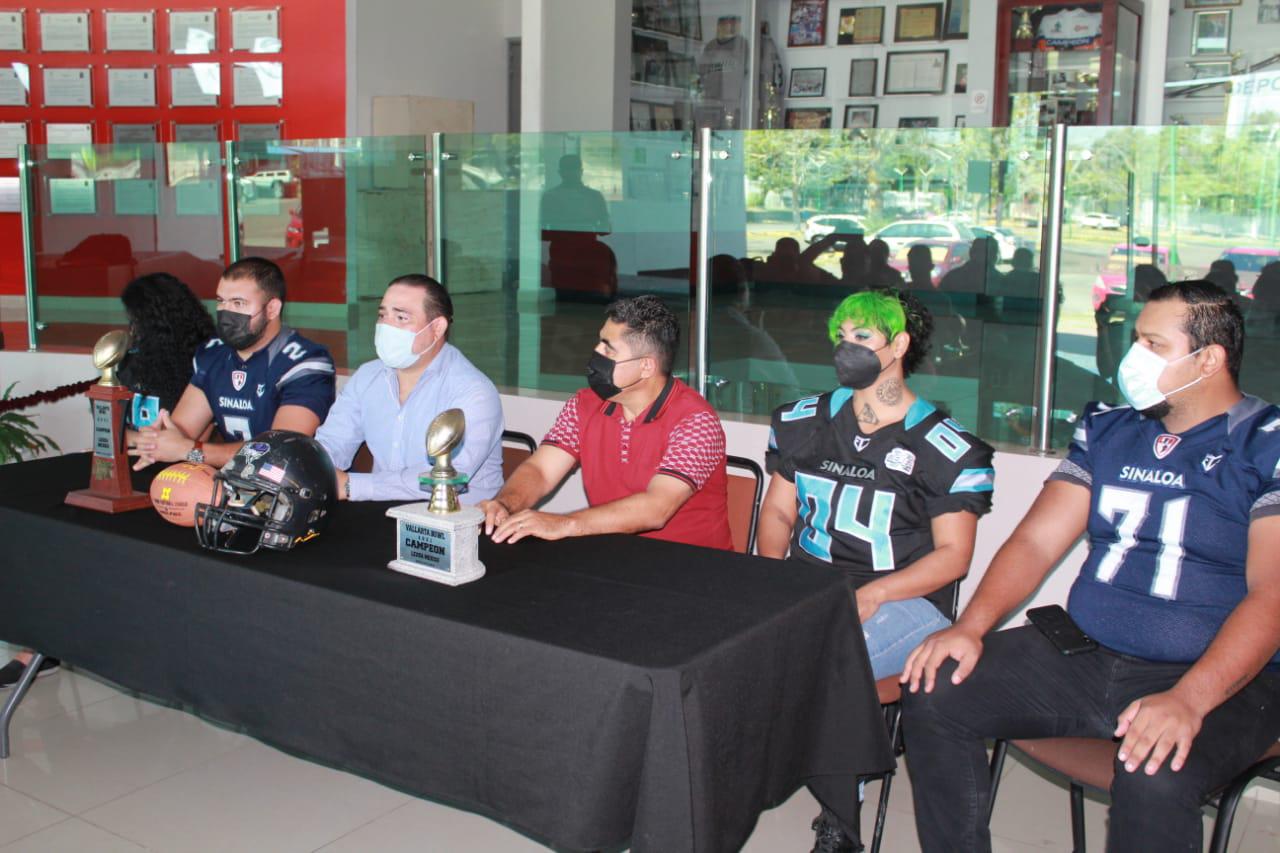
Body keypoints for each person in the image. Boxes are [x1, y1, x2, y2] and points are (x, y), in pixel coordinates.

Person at [900, 281, 1280, 853]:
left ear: (1209, 359)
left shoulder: (1265, 444)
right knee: (934, 690)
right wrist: (970, 627)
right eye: (1136, 340)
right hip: (1087, 652)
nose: (1133, 358)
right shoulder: (1110, 429)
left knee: (1155, 774)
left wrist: (1189, 699)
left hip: (1216, 676)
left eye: (1153, 344)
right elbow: (1035, 542)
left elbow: (1272, 595)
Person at [756, 289, 994, 852]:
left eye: (863, 337)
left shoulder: (948, 448)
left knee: (826, 661)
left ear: (899, 346)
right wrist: (768, 577)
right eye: (842, 336)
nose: (847, 348)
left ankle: (842, 816)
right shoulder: (805, 420)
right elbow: (778, 511)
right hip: (808, 585)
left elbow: (953, 557)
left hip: (902, 602)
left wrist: (875, 593)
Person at [2, 272, 218, 690]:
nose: (131, 327)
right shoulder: (130, 363)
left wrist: (152, 443)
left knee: (88, 537)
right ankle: (38, 645)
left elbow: (190, 441)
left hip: (174, 481)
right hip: (126, 469)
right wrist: (137, 440)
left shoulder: (203, 363)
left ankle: (67, 641)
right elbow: (117, 430)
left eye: (136, 318)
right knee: (53, 527)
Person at [480, 295, 733, 550]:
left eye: (608, 348)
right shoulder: (584, 404)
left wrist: (564, 524)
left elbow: (657, 508)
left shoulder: (696, 422)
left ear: (646, 366)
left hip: (691, 569)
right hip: (611, 557)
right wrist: (505, 504)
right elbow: (541, 471)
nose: (596, 353)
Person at [129, 257, 336, 470]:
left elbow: (279, 452)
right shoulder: (213, 354)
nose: (226, 313)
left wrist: (190, 450)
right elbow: (181, 431)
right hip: (234, 483)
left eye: (238, 303)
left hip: (294, 489)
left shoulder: (306, 362)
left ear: (272, 309)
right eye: (221, 301)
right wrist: (156, 441)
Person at [314, 274, 503, 502]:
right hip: (383, 515)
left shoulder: (473, 390)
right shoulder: (367, 376)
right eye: (383, 315)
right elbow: (333, 443)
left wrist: (353, 486)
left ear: (437, 328)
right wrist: (308, 467)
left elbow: (447, 477)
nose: (386, 326)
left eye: (401, 317)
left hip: (459, 524)